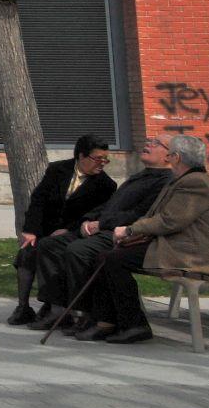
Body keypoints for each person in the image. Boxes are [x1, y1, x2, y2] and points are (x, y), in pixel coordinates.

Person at [72, 133, 209, 346]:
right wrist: (135, 233)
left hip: (188, 253)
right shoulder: (182, 180)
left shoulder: (195, 183)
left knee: (112, 260)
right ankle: (108, 321)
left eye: (170, 154)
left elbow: (170, 221)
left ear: (177, 157)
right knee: (109, 257)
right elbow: (156, 216)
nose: (168, 157)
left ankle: (133, 324)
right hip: (172, 245)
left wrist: (130, 231)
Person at [31, 135, 173, 330]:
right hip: (102, 227)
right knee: (50, 245)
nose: (148, 144)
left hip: (120, 232)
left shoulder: (165, 181)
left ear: (169, 156)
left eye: (157, 143)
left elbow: (138, 214)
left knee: (78, 250)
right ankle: (58, 308)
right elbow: (110, 205)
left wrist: (101, 224)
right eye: (149, 140)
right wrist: (86, 221)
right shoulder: (140, 175)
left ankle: (85, 313)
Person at [5, 133, 115, 324]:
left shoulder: (106, 185)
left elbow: (94, 215)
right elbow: (38, 200)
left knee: (49, 249)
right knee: (27, 251)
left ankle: (54, 308)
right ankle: (23, 307)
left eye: (106, 159)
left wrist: (69, 230)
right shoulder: (58, 170)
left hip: (74, 235)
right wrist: (30, 230)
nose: (102, 163)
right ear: (81, 156)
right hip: (47, 230)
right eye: (98, 158)